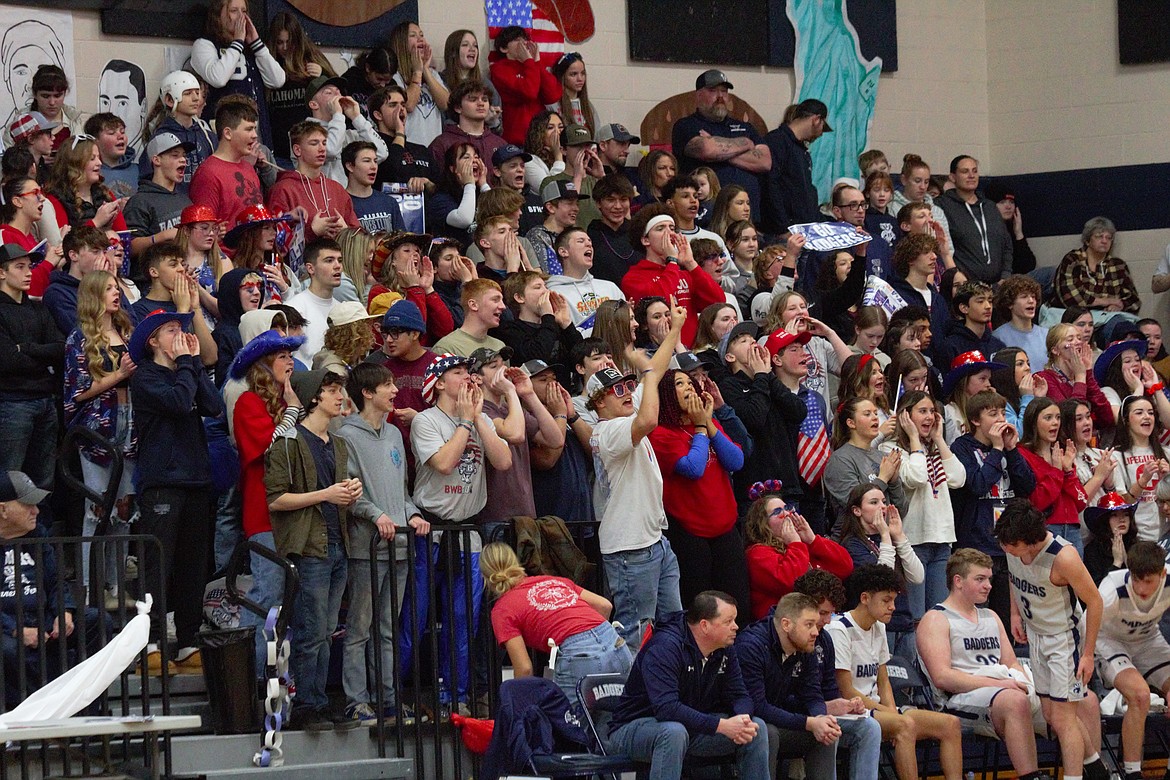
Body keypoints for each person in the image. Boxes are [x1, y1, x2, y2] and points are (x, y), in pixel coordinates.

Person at [409, 353, 511, 712]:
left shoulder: (478, 418)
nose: (467, 378)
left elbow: (503, 461)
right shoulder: (425, 421)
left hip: (468, 533)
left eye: (470, 372)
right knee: (416, 617)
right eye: (458, 373)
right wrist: (466, 423)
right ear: (438, 383)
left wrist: (478, 420)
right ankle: (400, 696)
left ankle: (456, 695)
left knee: (463, 618)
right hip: (431, 531)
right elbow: (443, 463)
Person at [265, 368, 361, 731]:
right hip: (309, 547)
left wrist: (349, 494)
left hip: (337, 544)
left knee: (325, 630)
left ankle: (318, 701)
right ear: (313, 398)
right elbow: (275, 499)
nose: (340, 397)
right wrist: (327, 494)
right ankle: (308, 704)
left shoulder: (337, 444)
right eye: (333, 391)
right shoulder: (289, 442)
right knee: (312, 630)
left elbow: (335, 496)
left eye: (340, 390)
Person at [337, 362, 430, 724]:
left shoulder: (393, 434)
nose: (395, 391)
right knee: (360, 627)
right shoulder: (346, 434)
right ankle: (356, 699)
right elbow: (349, 490)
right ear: (367, 392)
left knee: (389, 627)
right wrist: (376, 514)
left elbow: (402, 492)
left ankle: (388, 698)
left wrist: (412, 514)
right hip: (366, 548)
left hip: (400, 547)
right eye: (387, 385)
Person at [129, 308, 222, 672]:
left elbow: (214, 407)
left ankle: (186, 642)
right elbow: (181, 402)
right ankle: (147, 644)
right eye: (171, 330)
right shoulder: (145, 377)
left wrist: (195, 365)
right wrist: (187, 364)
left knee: (192, 567)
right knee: (158, 565)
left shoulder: (187, 370)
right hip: (163, 481)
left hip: (197, 478)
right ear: (153, 341)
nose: (180, 335)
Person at [588, 300, 685, 642]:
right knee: (635, 631)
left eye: (628, 387)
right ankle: (629, 696)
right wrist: (646, 375)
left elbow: (653, 373)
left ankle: (663, 690)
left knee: (672, 625)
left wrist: (674, 330)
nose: (627, 393)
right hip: (629, 548)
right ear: (599, 402)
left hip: (654, 541)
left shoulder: (624, 417)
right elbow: (649, 417)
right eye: (617, 390)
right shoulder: (608, 431)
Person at [996, 499, 1109, 780]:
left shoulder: (1063, 557)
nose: (1005, 549)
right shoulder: (1011, 543)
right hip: (1036, 633)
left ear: (1031, 542)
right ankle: (1096, 768)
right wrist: (1014, 613)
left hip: (1064, 639)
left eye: (1011, 545)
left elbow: (1095, 602)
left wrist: (1087, 654)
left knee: (1063, 719)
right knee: (1050, 715)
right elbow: (1014, 576)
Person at [606, 591, 770, 780]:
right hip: (635, 729)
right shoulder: (665, 647)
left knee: (755, 728)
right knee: (673, 733)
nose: (736, 627)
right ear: (704, 625)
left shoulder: (724, 648)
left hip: (691, 728)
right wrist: (722, 725)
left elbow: (740, 694)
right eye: (728, 622)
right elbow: (666, 709)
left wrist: (743, 720)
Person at [915, 548, 1048, 780]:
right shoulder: (936, 619)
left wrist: (1026, 683)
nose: (988, 585)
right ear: (958, 581)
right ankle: (1031, 776)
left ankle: (1092, 770)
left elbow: (1011, 663)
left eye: (989, 579)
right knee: (1014, 700)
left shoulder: (991, 616)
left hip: (999, 690)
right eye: (980, 579)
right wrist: (1000, 684)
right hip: (958, 700)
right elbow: (943, 677)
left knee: (1073, 699)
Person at [826, 564, 964, 780]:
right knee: (904, 724)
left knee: (950, 724)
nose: (892, 606)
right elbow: (846, 690)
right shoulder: (839, 630)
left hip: (876, 708)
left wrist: (890, 709)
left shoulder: (879, 626)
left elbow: (883, 681)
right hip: (848, 711)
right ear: (864, 598)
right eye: (886, 600)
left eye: (894, 600)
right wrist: (890, 714)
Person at [63, 269, 137, 604]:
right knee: (95, 512)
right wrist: (118, 375)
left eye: (116, 286)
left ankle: (116, 586)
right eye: (108, 288)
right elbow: (76, 392)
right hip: (97, 431)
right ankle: (88, 590)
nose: (115, 292)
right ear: (94, 294)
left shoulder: (127, 330)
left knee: (124, 512)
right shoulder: (79, 338)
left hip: (131, 423)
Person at [648, 366, 748, 610]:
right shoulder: (660, 435)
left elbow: (736, 460)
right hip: (690, 532)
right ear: (666, 395)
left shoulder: (708, 423)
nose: (689, 387)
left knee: (737, 602)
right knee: (700, 605)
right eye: (680, 384)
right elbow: (693, 469)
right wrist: (702, 428)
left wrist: (708, 425)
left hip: (725, 527)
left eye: (690, 383)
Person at [480, 541, 631, 703]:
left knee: (569, 724)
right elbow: (604, 605)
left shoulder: (502, 609)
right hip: (616, 645)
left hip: (579, 654)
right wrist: (597, 641)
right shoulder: (552, 580)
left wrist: (518, 706)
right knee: (616, 719)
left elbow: (524, 669)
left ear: (485, 577)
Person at [950, 390, 1037, 628]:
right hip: (975, 544)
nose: (1001, 418)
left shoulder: (1007, 447)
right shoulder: (961, 448)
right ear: (976, 421)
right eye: (993, 414)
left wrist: (1011, 450)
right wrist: (997, 451)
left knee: (1006, 619)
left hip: (1007, 546)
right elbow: (976, 484)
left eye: (1002, 412)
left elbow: (1028, 486)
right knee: (974, 619)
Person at [736, 592, 840, 780]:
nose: (816, 632)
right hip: (746, 722)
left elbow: (813, 694)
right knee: (767, 732)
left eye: (815, 625)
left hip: (782, 716)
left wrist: (821, 718)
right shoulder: (752, 645)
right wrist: (809, 723)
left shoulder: (804, 645)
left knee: (827, 733)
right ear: (786, 624)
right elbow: (757, 706)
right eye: (809, 625)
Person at [791, 569, 884, 780]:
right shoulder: (782, 636)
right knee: (828, 725)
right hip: (792, 715)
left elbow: (830, 690)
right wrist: (824, 708)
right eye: (822, 613)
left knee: (869, 727)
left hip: (819, 711)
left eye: (830, 614)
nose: (826, 620)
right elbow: (775, 698)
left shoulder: (824, 639)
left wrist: (848, 705)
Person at [1095, 539, 1170, 780]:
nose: (1140, 588)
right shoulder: (1111, 588)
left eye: (1148, 581)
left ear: (1163, 573)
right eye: (1136, 579)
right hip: (1110, 640)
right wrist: (1085, 659)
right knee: (1139, 695)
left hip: (1148, 639)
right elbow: (1087, 625)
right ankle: (1132, 774)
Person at [0, 243, 65, 521]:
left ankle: (41, 546)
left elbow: (62, 348)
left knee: (42, 482)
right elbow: (6, 361)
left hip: (44, 401)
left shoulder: (38, 308)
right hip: (12, 402)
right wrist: (41, 355)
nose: (28, 273)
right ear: (1, 273)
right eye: (20, 267)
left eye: (30, 266)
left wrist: (25, 348)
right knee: (9, 480)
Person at [889, 390, 963, 620]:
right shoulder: (892, 450)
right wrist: (913, 440)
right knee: (916, 616)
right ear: (905, 416)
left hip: (941, 539)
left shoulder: (936, 449)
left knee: (939, 615)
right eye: (922, 411)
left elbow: (958, 478)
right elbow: (915, 477)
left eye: (932, 411)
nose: (930, 417)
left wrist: (940, 440)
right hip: (913, 540)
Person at [621, 204, 725, 348]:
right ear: (646, 240)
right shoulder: (634, 277)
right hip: (659, 355)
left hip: (693, 354)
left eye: (672, 228)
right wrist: (672, 262)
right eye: (660, 228)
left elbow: (717, 304)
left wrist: (691, 263)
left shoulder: (684, 273)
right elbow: (660, 302)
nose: (669, 233)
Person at [743, 489, 854, 620]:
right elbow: (792, 583)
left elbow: (845, 567)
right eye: (777, 512)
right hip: (780, 626)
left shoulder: (800, 545)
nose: (787, 514)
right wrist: (795, 544)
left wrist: (813, 540)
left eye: (787, 508)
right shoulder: (757, 553)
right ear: (762, 523)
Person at [673, 70, 770, 220]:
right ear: (698, 95)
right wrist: (746, 143)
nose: (720, 97)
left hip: (747, 218)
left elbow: (764, 161)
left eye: (724, 91)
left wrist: (717, 149)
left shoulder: (745, 127)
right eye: (712, 91)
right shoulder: (686, 126)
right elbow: (707, 149)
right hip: (708, 218)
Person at [191, 0, 286, 149]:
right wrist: (237, 42)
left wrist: (256, 43)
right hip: (224, 137)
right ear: (218, 15)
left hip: (257, 136)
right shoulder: (204, 45)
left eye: (244, 11)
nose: (241, 17)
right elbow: (218, 78)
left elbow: (278, 80)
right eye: (234, 11)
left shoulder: (252, 49)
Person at [1017, 397, 1090, 555]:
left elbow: (1081, 501)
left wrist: (1068, 471)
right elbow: (1037, 501)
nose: (1055, 422)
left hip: (1072, 530)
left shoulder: (1061, 452)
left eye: (1058, 417)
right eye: (1048, 418)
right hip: (1044, 530)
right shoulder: (1023, 455)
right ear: (1033, 422)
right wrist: (1057, 471)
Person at [266, 121, 359, 242]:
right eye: (314, 143)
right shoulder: (282, 189)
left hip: (339, 258)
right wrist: (312, 231)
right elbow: (275, 241)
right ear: (297, 150)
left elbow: (358, 234)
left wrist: (345, 232)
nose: (322, 148)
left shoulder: (336, 188)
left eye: (324, 143)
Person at [131, 240, 218, 366]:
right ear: (154, 272)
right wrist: (182, 310)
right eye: (173, 265)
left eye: (182, 264)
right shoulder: (139, 310)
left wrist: (195, 307)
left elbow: (210, 358)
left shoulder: (188, 303)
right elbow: (170, 361)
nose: (181, 269)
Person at [491, 269, 582, 387]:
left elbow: (582, 360)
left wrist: (566, 324)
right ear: (519, 298)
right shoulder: (510, 330)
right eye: (538, 287)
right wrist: (547, 315)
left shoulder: (555, 326)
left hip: (566, 395)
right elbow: (537, 358)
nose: (546, 291)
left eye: (545, 287)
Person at [824, 398, 909, 523]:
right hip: (854, 538)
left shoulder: (882, 456)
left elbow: (901, 510)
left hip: (885, 535)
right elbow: (854, 505)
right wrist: (883, 478)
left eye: (875, 413)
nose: (875, 418)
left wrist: (894, 480)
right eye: (867, 414)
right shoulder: (840, 460)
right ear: (851, 423)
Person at [266, 12, 335, 164]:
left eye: (288, 42)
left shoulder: (311, 58)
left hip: (310, 147)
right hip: (279, 148)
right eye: (279, 42)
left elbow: (337, 94)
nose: (284, 47)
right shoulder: (268, 64)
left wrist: (322, 75)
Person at [300, 74, 388, 186]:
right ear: (314, 104)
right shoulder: (302, 134)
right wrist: (337, 115)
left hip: (349, 199)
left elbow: (381, 153)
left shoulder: (348, 134)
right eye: (328, 92)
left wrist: (357, 117)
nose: (337, 95)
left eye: (338, 91)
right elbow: (330, 150)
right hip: (319, 200)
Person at [188, 98, 263, 228]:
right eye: (249, 129)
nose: (255, 135)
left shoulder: (248, 167)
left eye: (255, 129)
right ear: (228, 133)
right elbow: (203, 229)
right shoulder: (208, 174)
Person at [937, 155, 1013, 284]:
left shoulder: (990, 207)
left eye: (975, 171)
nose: (971, 175)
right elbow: (942, 247)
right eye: (965, 171)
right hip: (965, 286)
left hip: (997, 285)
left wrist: (1005, 276)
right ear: (952, 177)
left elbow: (1006, 244)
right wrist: (957, 277)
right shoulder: (942, 206)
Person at [761, 99, 831, 234]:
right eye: (822, 124)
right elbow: (771, 186)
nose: (821, 132)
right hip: (784, 231)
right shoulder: (777, 141)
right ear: (816, 120)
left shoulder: (801, 150)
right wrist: (783, 227)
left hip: (802, 229)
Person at [124, 133, 195, 257]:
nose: (183, 159)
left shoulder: (185, 200)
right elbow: (129, 246)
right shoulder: (140, 201)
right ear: (157, 160)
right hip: (149, 274)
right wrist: (162, 237)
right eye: (175, 155)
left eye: (184, 156)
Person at [139, 71, 216, 185]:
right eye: (187, 93)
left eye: (197, 92)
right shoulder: (160, 140)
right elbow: (147, 180)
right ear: (170, 100)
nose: (196, 98)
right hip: (174, 201)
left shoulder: (208, 137)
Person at [1052, 217, 1141, 315]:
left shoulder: (1118, 265)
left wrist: (1119, 305)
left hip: (1108, 316)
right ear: (1087, 240)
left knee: (1128, 327)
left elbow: (1134, 300)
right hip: (1075, 317)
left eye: (1109, 238)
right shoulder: (1072, 260)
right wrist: (1108, 301)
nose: (1104, 241)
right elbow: (1069, 298)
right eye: (1099, 236)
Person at [1112, 395, 1170, 542]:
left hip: (1166, 535)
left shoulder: (1167, 452)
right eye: (1139, 413)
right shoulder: (1116, 456)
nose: (1147, 417)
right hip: (1137, 539)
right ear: (1126, 420)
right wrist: (1143, 480)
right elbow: (1123, 503)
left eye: (1150, 413)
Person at [489, 26, 560, 146]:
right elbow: (529, 92)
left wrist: (536, 62)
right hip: (517, 141)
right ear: (503, 48)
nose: (523, 43)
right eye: (517, 40)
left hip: (541, 138)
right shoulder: (499, 69)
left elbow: (552, 95)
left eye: (525, 39)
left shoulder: (531, 66)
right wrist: (529, 61)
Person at [1036, 323, 1114, 430]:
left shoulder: (1082, 375)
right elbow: (1070, 419)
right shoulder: (1044, 378)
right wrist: (1081, 377)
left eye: (1079, 338)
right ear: (1055, 350)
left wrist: (1088, 373)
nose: (1078, 342)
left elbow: (1107, 418)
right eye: (1070, 339)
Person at [547, 226, 624, 332]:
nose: (589, 244)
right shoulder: (554, 293)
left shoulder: (610, 287)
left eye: (589, 241)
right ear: (563, 252)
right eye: (580, 241)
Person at [43, 136, 128, 232]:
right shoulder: (57, 199)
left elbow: (123, 234)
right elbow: (62, 242)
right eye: (92, 159)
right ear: (75, 163)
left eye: (98, 157)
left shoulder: (105, 194)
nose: (99, 163)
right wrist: (96, 222)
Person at [368, 85, 438, 192]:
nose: (401, 109)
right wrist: (399, 132)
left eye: (403, 105)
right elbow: (389, 174)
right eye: (393, 105)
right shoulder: (372, 149)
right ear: (378, 115)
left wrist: (427, 183)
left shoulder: (421, 150)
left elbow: (441, 188)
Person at [285, 238, 343, 366]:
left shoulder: (341, 309)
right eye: (329, 260)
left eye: (340, 260)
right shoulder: (294, 308)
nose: (337, 266)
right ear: (310, 268)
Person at [429, 79, 505, 173]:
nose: (481, 103)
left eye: (485, 100)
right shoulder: (442, 144)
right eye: (473, 100)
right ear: (458, 108)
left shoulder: (500, 144)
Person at [440, 30, 501, 131]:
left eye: (475, 46)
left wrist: (493, 122)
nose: (472, 49)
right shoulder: (441, 81)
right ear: (453, 52)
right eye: (465, 45)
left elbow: (498, 130)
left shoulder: (485, 83)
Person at [432, 277, 506, 357]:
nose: (503, 306)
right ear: (473, 305)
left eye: (502, 301)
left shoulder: (500, 346)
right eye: (495, 300)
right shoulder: (447, 348)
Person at [939, 281, 1005, 369]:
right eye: (980, 301)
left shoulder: (998, 345)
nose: (988, 306)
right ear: (964, 308)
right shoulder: (951, 346)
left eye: (990, 301)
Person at [343, 141, 404, 234]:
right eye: (367, 161)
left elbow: (402, 241)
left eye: (375, 161)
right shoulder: (341, 204)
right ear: (350, 166)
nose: (374, 166)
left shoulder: (389, 202)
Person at [993, 274, 1049, 374]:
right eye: (1024, 297)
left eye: (1033, 296)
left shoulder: (1047, 334)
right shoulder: (998, 337)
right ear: (1010, 303)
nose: (1031, 301)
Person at [984, 182, 1037, 274]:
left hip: (1017, 280)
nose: (1008, 206)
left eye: (1011, 202)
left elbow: (1029, 266)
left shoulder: (1011, 229)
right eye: (1002, 202)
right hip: (999, 281)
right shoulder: (985, 230)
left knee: (1052, 273)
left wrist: (1019, 234)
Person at [84, 112, 137, 200]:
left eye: (122, 132)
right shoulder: (89, 172)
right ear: (95, 140)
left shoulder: (138, 171)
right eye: (111, 133)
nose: (121, 136)